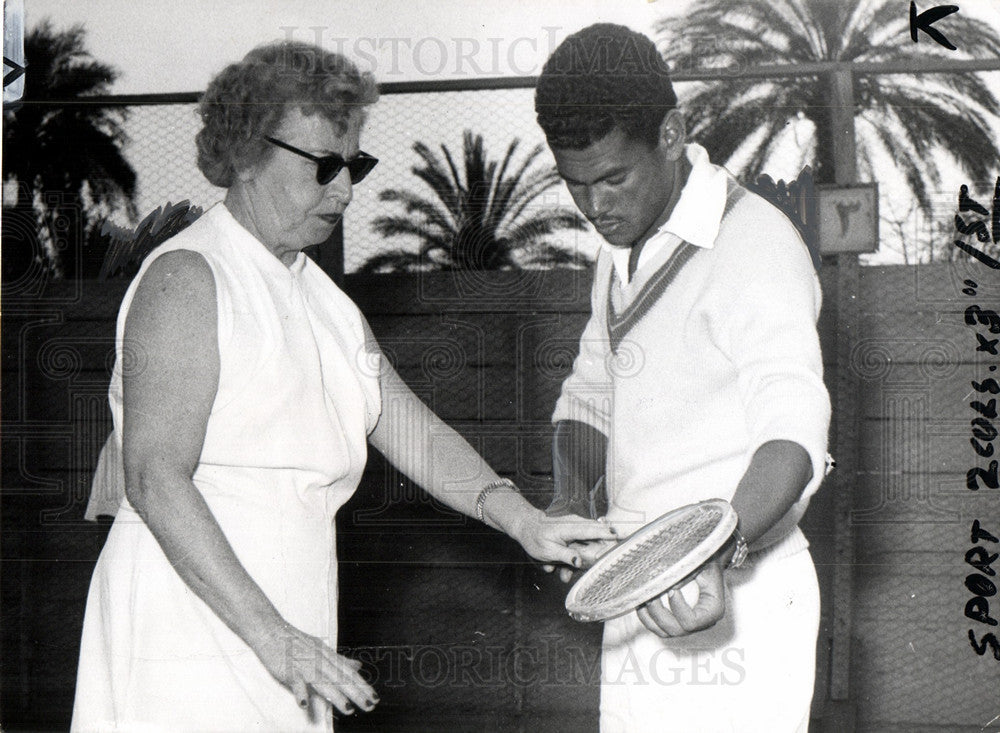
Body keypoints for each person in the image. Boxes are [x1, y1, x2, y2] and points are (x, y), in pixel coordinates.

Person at [71, 41, 616, 733]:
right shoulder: (187, 277)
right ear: (244, 155)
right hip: (186, 629)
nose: (346, 189)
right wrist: (273, 635)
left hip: (286, 623)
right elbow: (154, 477)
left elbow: (415, 432)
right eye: (322, 166)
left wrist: (525, 519)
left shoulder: (324, 301)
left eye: (352, 165)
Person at [534, 24, 832, 733]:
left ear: (670, 135)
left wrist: (715, 550)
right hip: (639, 588)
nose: (596, 207)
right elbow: (591, 395)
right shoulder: (623, 248)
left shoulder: (754, 242)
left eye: (613, 179)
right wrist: (568, 500)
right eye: (576, 187)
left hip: (742, 594)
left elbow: (792, 433)